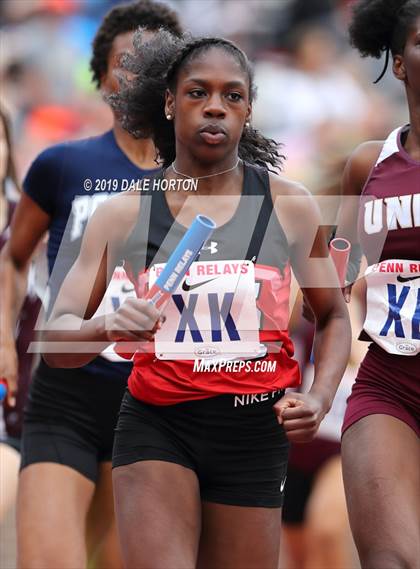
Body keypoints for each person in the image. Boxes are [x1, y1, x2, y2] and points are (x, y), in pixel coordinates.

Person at [43, 30, 351, 568]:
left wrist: (319, 397)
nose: (215, 107)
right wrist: (106, 327)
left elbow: (333, 317)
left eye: (232, 95)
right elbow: (56, 340)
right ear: (168, 101)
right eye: (197, 92)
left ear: (248, 109)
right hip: (158, 420)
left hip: (255, 427)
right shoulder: (123, 213)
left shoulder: (292, 207)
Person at [0, 2, 182, 567]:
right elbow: (13, 258)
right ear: (101, 76)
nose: (136, 74)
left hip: (158, 401)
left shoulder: (204, 178)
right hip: (66, 392)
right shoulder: (62, 165)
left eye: (153, 63)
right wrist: (5, 342)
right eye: (124, 62)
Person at [337, 1, 420, 568]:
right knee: (390, 559)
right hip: (389, 384)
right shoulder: (367, 166)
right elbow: (334, 282)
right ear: (399, 62)